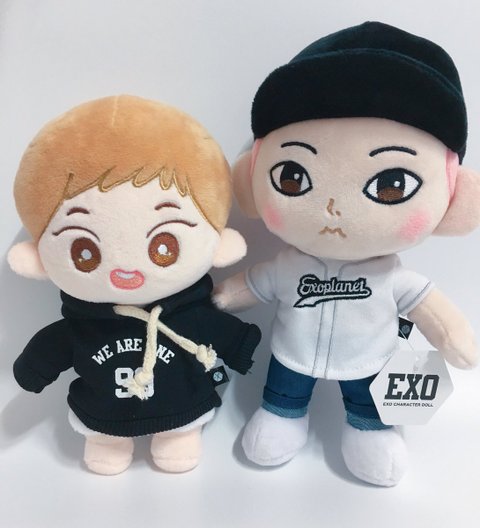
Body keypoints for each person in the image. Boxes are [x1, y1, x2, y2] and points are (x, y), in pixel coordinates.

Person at [214, 22, 480, 486]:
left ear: (455, 197)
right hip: (292, 355)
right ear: (252, 179)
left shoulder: (392, 277)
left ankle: (369, 430)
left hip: (371, 359)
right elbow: (249, 286)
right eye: (293, 176)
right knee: (283, 394)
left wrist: (455, 341)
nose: (334, 208)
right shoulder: (288, 265)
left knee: (369, 404)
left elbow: (432, 310)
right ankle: (282, 416)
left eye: (391, 184)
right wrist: (213, 301)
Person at [9, 95, 260, 475]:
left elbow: (224, 335)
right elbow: (51, 348)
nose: (126, 271)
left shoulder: (191, 317)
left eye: (164, 246)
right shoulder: (82, 326)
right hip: (102, 416)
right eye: (85, 251)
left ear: (218, 245)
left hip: (183, 410)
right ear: (38, 259)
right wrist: (32, 371)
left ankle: (177, 436)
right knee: (104, 442)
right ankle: (108, 441)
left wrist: (241, 348)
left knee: (179, 436)